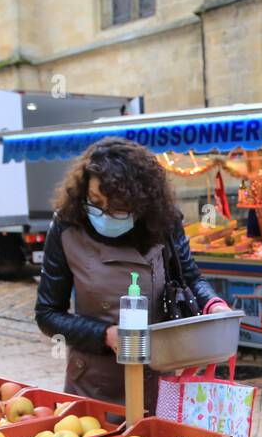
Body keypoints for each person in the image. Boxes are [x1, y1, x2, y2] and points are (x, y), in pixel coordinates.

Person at [35, 138, 228, 407]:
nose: (104, 213)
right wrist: (105, 335)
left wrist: (213, 304)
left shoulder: (165, 222)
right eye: (95, 201)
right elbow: (47, 314)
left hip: (159, 380)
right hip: (94, 383)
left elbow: (190, 277)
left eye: (117, 207)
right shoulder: (67, 227)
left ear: (141, 202)